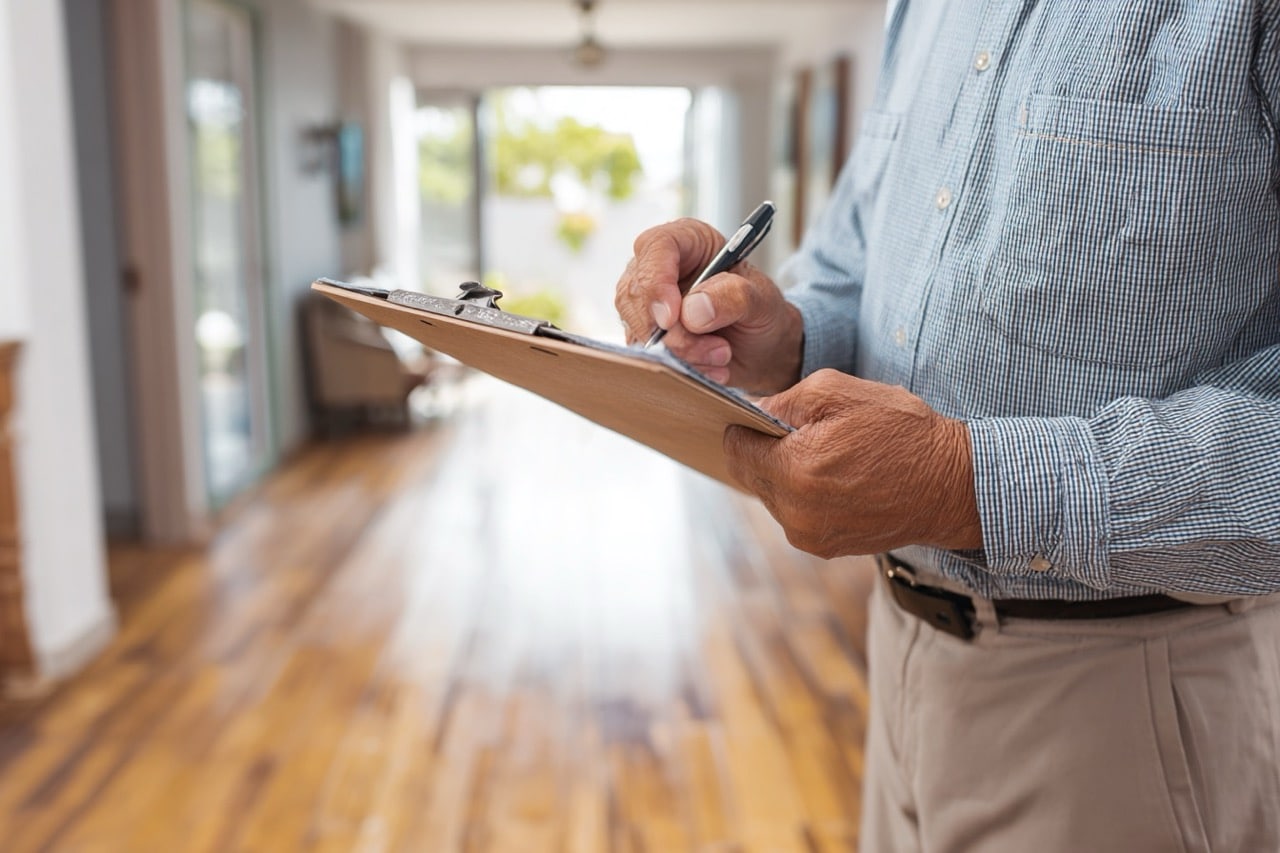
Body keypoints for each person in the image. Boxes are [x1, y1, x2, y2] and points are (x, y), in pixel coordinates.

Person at [615, 2, 1280, 850]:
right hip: (898, 656)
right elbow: (853, 264)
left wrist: (969, 483)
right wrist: (786, 337)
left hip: (1128, 701)